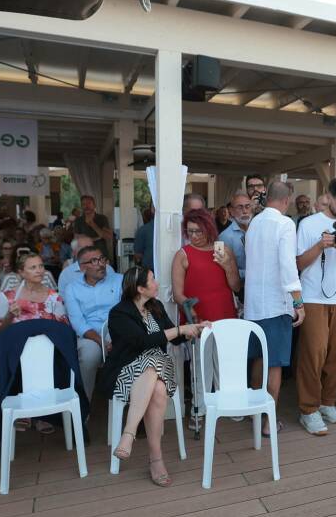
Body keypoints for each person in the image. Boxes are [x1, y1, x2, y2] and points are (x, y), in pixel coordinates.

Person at [102, 267, 208, 486]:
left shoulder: (156, 307)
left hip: (159, 368)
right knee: (157, 386)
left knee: (154, 364)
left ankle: (128, 435)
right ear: (140, 288)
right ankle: (155, 459)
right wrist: (180, 330)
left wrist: (195, 328)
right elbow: (143, 342)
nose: (157, 282)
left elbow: (175, 338)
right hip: (127, 372)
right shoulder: (119, 313)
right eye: (152, 280)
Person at [294, 177, 336, 435]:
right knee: (313, 353)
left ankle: (327, 403)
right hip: (313, 296)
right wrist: (320, 245)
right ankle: (308, 409)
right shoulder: (308, 224)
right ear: (329, 196)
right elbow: (299, 263)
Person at [244, 180, 305, 436]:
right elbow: (288, 266)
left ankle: (257, 413)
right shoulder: (285, 223)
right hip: (275, 303)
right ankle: (269, 421)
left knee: (258, 358)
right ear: (286, 200)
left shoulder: (253, 224)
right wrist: (298, 302)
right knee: (275, 364)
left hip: (253, 305)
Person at [0, 252, 69, 434]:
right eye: (33, 267)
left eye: (41, 266)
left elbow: (64, 327)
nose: (39, 270)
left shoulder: (53, 297)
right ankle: (22, 412)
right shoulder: (8, 297)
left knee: (49, 360)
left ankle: (44, 415)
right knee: (16, 361)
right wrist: (10, 315)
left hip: (48, 352)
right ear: (21, 272)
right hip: (17, 353)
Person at [61, 245, 123, 401]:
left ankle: (130, 404)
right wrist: (101, 341)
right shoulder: (72, 289)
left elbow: (128, 310)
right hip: (91, 335)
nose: (101, 264)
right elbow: (78, 323)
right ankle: (84, 405)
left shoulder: (120, 280)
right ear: (82, 268)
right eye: (94, 261)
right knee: (89, 355)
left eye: (102, 259)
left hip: (118, 329)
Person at [172, 208, 239, 322]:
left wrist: (228, 266)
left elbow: (236, 287)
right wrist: (191, 313)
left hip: (224, 312)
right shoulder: (183, 254)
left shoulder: (222, 250)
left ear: (208, 229)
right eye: (190, 231)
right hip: (198, 316)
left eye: (198, 231)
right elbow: (177, 294)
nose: (193, 236)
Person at [218, 192, 252, 282]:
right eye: (240, 207)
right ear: (231, 211)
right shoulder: (222, 237)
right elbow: (219, 268)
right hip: (238, 289)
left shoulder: (258, 231)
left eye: (247, 206)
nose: (244, 211)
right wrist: (250, 273)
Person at [72, 195, 114, 260]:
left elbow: (108, 236)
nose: (86, 206)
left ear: (94, 205)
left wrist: (93, 225)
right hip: (85, 255)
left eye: (89, 203)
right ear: (81, 206)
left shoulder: (102, 218)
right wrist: (98, 238)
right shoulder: (78, 220)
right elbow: (77, 239)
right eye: (84, 204)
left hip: (101, 254)